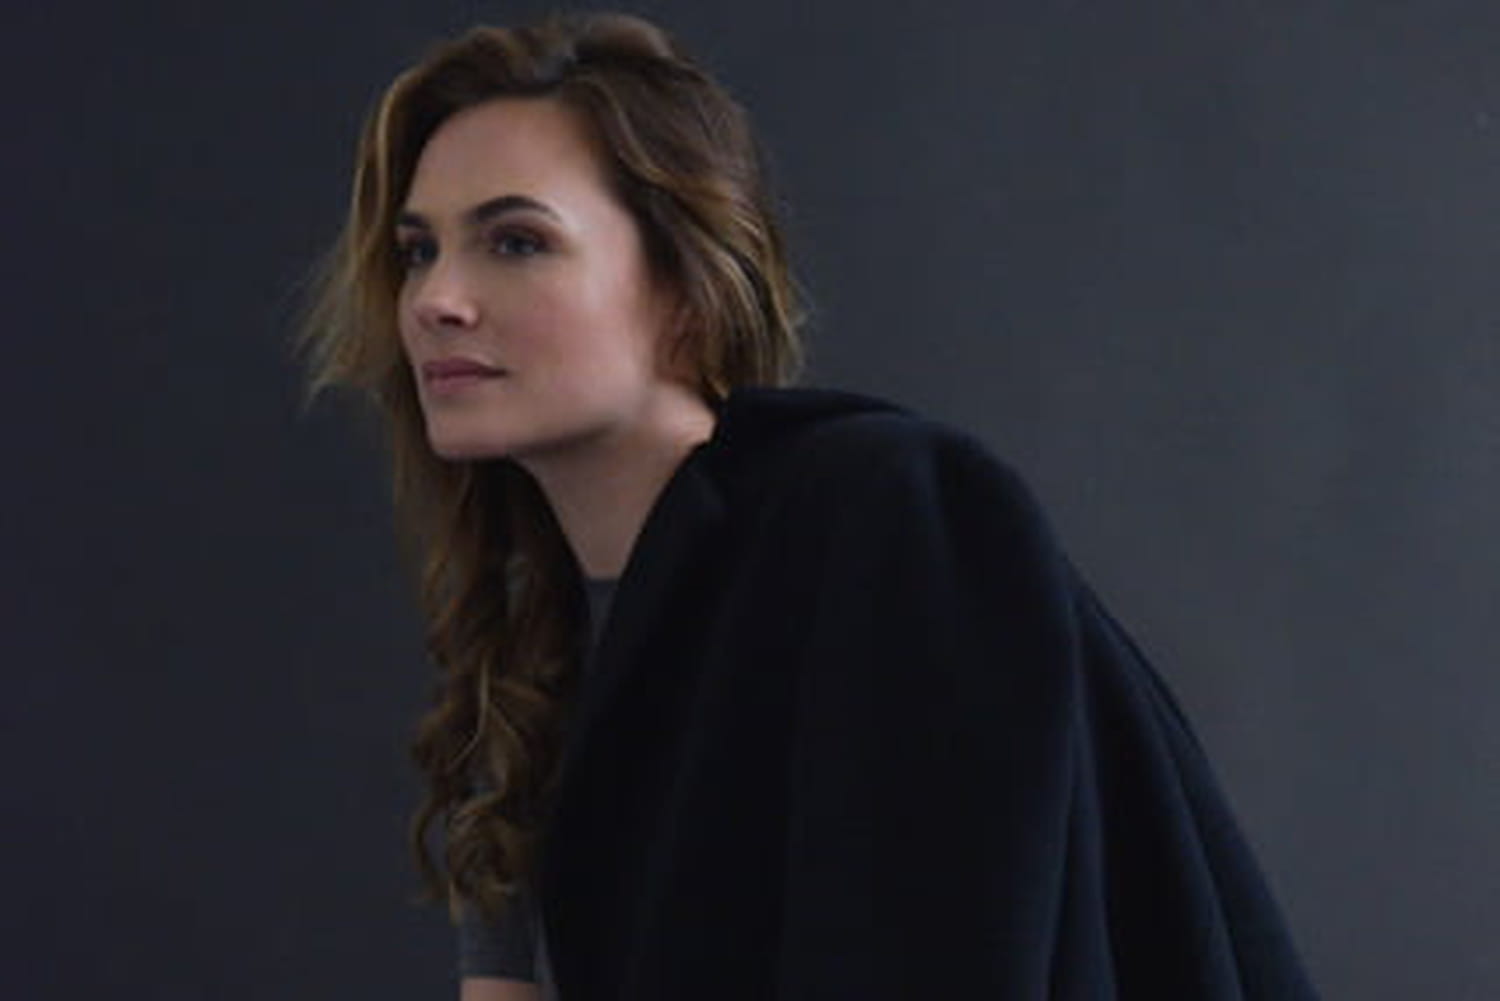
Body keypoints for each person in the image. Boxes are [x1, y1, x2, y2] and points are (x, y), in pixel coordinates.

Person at [296, 11, 1319, 1000]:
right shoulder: (534, 658)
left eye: (516, 241)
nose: (435, 300)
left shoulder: (885, 516)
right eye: (420, 250)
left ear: (688, 290)